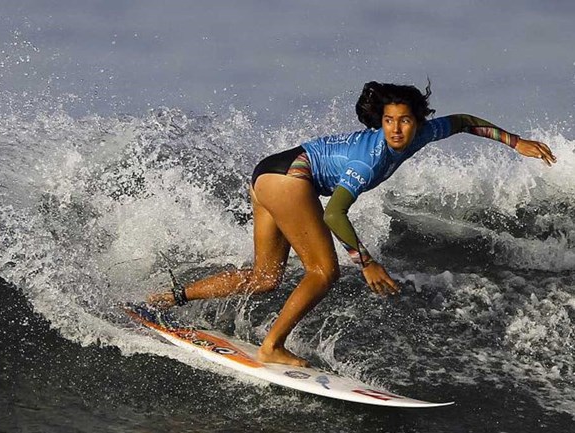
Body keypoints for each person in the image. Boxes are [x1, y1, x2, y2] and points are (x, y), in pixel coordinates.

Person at [147, 81, 557, 367]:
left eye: (404, 121)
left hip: (270, 173)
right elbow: (333, 213)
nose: (396, 129)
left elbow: (466, 121)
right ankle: (272, 346)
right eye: (389, 121)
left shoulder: (428, 132)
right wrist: (366, 262)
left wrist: (515, 142)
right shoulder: (370, 159)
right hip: (290, 177)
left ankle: (170, 298)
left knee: (265, 277)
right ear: (380, 122)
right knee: (323, 272)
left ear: (418, 121)